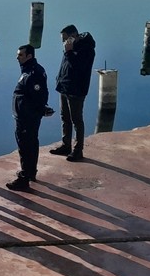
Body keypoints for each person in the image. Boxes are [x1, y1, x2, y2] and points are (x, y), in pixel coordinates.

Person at [6, 44, 53, 193]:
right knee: (30, 144)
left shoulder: (34, 73)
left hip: (27, 118)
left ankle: (24, 178)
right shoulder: (29, 70)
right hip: (26, 116)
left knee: (26, 146)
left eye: (20, 55)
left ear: (29, 56)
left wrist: (36, 111)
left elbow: (38, 97)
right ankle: (30, 172)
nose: (17, 57)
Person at [50, 24, 97, 162]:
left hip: (76, 90)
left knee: (76, 119)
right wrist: (59, 80)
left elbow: (78, 67)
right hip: (64, 87)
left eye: (65, 39)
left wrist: (69, 52)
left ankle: (78, 150)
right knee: (64, 117)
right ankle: (66, 145)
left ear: (73, 36)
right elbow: (66, 66)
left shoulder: (87, 49)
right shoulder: (70, 48)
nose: (63, 42)